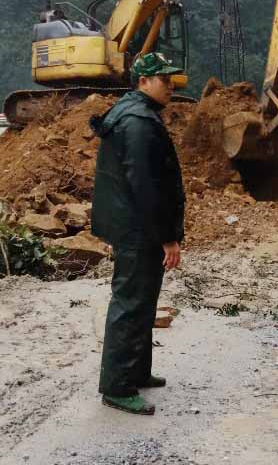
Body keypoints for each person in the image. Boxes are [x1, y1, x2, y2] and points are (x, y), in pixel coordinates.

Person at [90, 52, 186, 416]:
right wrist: (167, 237)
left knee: (143, 299)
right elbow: (147, 187)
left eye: (172, 80)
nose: (171, 88)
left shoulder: (134, 113)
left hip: (131, 223)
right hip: (138, 228)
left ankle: (138, 370)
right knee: (130, 302)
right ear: (143, 81)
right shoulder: (138, 123)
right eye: (165, 81)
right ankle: (117, 386)